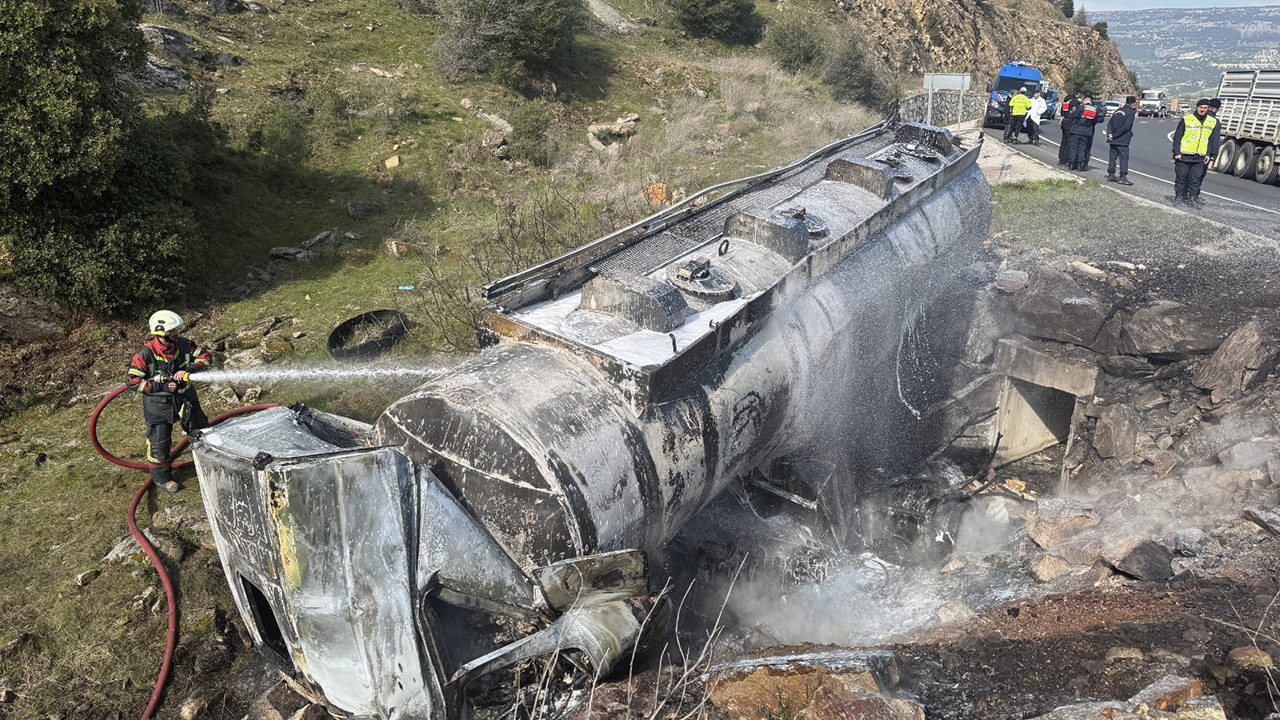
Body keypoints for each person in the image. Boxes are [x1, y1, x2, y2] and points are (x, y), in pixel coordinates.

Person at [126, 310, 211, 493]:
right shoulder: (145, 354)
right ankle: (162, 478)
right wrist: (160, 386)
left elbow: (205, 357)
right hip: (158, 406)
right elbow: (133, 382)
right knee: (160, 443)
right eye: (172, 330)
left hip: (186, 398)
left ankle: (210, 464)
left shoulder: (184, 344)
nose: (176, 333)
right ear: (161, 333)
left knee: (202, 431)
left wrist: (190, 370)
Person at [1172, 98, 1220, 207]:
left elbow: (1212, 140)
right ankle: (1178, 197)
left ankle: (1192, 199)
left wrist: (1209, 154)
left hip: (1200, 157)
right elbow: (1177, 137)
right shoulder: (1187, 119)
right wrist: (1177, 152)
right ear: (1197, 107)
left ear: (1208, 108)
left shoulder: (1213, 122)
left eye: (1205, 108)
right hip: (1184, 155)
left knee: (1195, 179)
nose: (1202, 110)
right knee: (1181, 178)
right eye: (1201, 107)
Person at [1106, 95, 1138, 185]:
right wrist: (1115, 135)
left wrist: (1110, 134)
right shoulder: (1130, 113)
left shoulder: (1117, 111)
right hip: (1123, 140)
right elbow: (1126, 127)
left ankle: (1111, 174)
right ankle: (1123, 177)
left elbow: (1109, 124)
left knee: (1112, 157)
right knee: (1124, 158)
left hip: (1113, 139)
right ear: (1133, 103)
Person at [1066, 95, 1101, 171]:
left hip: (1076, 130)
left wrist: (1072, 112)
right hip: (1086, 132)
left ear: (1085, 101)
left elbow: (1073, 116)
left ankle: (1071, 164)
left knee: (1073, 147)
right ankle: (1080, 164)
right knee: (1082, 148)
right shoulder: (1094, 109)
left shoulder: (1081, 108)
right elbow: (1099, 119)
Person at [1058, 94, 1078, 165]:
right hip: (1070, 124)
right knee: (1070, 143)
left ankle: (1061, 158)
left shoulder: (1064, 104)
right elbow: (1076, 114)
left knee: (1064, 142)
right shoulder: (1074, 103)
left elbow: (1062, 113)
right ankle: (1066, 158)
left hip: (1064, 123)